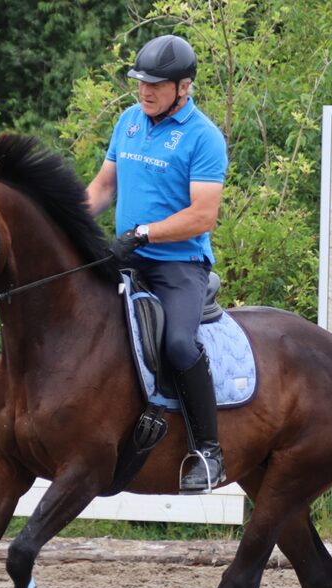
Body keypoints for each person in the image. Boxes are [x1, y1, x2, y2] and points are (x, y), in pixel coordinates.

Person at [86, 34, 229, 493]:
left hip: (177, 264)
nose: (144, 91)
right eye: (140, 82)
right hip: (124, 257)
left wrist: (144, 233)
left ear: (183, 87)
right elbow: (104, 188)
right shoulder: (129, 121)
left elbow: (202, 215)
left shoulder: (204, 137)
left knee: (179, 344)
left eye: (156, 84)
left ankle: (209, 452)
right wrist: (65, 219)